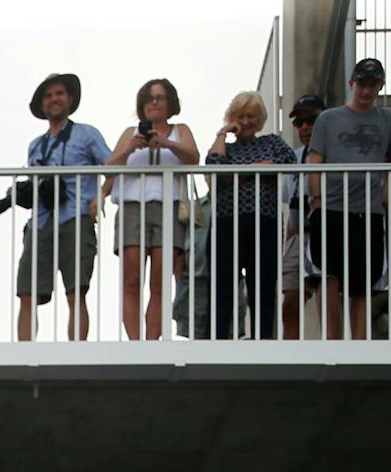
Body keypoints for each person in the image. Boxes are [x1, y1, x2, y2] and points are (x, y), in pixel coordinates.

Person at [308, 60, 391, 341]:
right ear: (352, 84)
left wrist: (382, 197)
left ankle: (360, 342)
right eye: (362, 83)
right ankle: (332, 341)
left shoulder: (389, 119)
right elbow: (315, 160)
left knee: (363, 283)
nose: (366, 90)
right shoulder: (329, 119)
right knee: (329, 277)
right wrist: (316, 199)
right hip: (331, 207)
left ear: (380, 86)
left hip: (369, 212)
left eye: (372, 84)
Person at [16, 73, 110, 342]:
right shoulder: (36, 145)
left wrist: (100, 197)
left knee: (76, 289)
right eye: (48, 96)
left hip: (75, 216)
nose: (54, 99)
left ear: (69, 99)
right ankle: (25, 351)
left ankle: (76, 349)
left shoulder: (86, 133)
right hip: (41, 221)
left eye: (59, 94)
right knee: (27, 290)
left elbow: (113, 165)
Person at [103, 81, 198, 342]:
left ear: (170, 103)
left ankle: (152, 340)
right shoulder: (130, 132)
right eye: (149, 98)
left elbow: (193, 156)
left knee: (160, 280)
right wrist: (130, 148)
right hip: (133, 205)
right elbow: (108, 167)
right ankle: (135, 342)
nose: (154, 103)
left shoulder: (180, 130)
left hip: (168, 206)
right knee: (132, 278)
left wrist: (166, 143)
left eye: (160, 98)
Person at [205, 92, 298, 341]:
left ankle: (263, 340)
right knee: (222, 285)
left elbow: (287, 160)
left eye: (251, 117)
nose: (246, 121)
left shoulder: (271, 142)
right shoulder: (226, 146)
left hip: (263, 222)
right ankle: (217, 339)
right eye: (241, 116)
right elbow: (214, 166)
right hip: (227, 222)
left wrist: (242, 170)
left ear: (259, 120)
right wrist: (223, 133)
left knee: (263, 284)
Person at [279, 95, 324, 340]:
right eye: (299, 122)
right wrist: (288, 242)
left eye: (311, 120)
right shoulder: (293, 157)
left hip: (326, 232)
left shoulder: (334, 154)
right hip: (299, 235)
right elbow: (292, 206)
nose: (305, 127)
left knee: (325, 295)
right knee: (290, 301)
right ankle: (290, 352)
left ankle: (332, 348)